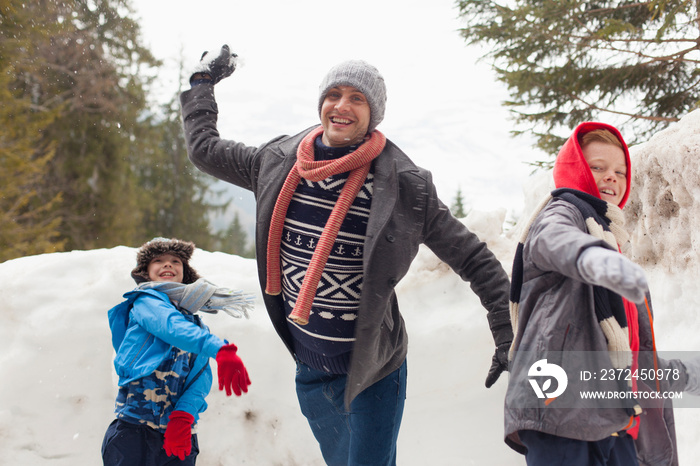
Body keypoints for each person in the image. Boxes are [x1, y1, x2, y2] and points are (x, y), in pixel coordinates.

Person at [180, 45, 513, 466]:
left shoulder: (405, 186)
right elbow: (204, 149)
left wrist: (506, 332)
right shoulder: (277, 163)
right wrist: (201, 84)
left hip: (374, 371)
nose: (342, 106)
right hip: (311, 370)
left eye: (357, 98)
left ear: (374, 113)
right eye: (334, 94)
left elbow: (474, 259)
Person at [504, 122, 693, 465]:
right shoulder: (564, 213)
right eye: (597, 167)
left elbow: (630, 349)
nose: (611, 177)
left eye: (620, 171)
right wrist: (589, 256)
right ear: (574, 170)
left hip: (614, 414)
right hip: (560, 410)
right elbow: (553, 239)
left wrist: (682, 372)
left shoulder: (612, 247)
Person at [101, 237, 253, 465]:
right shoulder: (145, 302)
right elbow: (170, 326)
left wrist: (183, 418)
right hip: (134, 433)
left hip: (178, 434)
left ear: (186, 272)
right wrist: (219, 349)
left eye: (176, 261)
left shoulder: (197, 326)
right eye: (158, 260)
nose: (168, 264)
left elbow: (200, 379)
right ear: (145, 271)